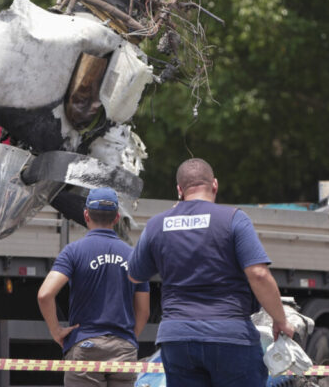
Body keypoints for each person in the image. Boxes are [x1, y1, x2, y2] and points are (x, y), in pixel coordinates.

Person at [128, 158, 295, 387]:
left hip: (177, 338)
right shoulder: (234, 219)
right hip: (230, 336)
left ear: (179, 190)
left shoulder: (156, 225)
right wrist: (280, 320)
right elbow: (258, 274)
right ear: (214, 185)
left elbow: (135, 275)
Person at [38, 187, 150, 387]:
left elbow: (45, 294)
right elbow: (143, 310)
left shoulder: (73, 252)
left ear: (86, 214)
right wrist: (128, 338)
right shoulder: (134, 256)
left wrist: (56, 331)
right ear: (116, 217)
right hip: (123, 349)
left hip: (85, 346)